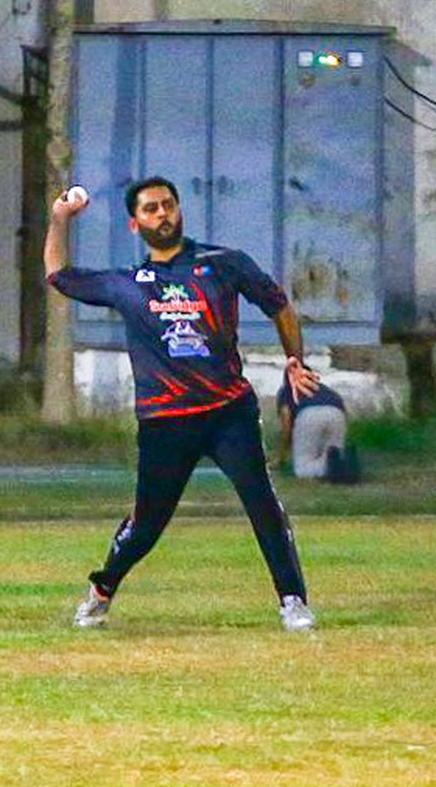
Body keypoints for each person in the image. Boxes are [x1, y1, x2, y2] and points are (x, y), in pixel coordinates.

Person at [45, 175, 320, 632]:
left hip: (228, 412)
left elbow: (278, 305)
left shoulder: (222, 263)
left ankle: (293, 601)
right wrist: (59, 219)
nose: (162, 215)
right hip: (165, 421)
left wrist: (295, 358)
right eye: (150, 209)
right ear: (135, 224)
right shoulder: (128, 283)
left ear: (179, 210)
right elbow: (58, 275)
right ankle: (103, 588)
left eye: (168, 205)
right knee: (147, 525)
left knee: (263, 504)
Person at [276, 376, 349, 480]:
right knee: (332, 453)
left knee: (302, 469)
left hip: (309, 414)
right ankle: (343, 466)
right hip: (337, 414)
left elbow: (286, 425)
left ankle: (330, 468)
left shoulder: (286, 391)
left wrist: (281, 458)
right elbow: (343, 411)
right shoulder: (324, 389)